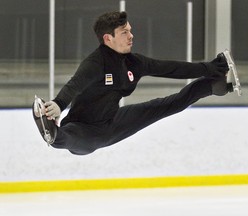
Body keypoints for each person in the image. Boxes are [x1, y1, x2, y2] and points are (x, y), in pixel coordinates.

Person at [33, 11, 233, 156]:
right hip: (84, 128)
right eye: (124, 32)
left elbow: (171, 68)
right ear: (108, 38)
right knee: (70, 137)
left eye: (130, 30)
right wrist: (59, 103)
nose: (131, 36)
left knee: (167, 105)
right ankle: (52, 133)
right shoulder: (95, 63)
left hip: (113, 122)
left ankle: (212, 85)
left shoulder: (134, 62)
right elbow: (75, 84)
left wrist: (211, 68)